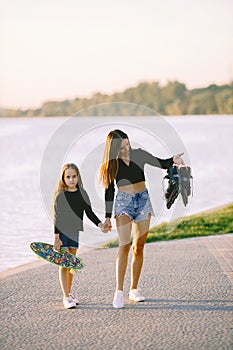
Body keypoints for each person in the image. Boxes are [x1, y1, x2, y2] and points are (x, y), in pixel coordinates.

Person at [99, 129, 185, 308]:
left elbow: (161, 163)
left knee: (138, 247)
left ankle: (134, 289)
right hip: (123, 203)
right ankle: (119, 291)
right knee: (124, 246)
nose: (126, 149)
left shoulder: (139, 154)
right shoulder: (112, 164)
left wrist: (173, 160)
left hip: (143, 200)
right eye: (122, 147)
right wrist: (107, 217)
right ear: (113, 149)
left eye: (127, 144)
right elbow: (109, 191)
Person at [53, 163, 105, 309]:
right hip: (62, 233)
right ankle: (65, 296)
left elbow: (89, 212)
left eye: (73, 176)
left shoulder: (82, 194)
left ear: (78, 177)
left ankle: (69, 293)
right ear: (63, 178)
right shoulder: (60, 196)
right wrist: (56, 239)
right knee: (64, 264)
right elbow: (57, 218)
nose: (71, 179)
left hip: (75, 232)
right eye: (68, 177)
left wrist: (100, 224)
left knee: (72, 265)